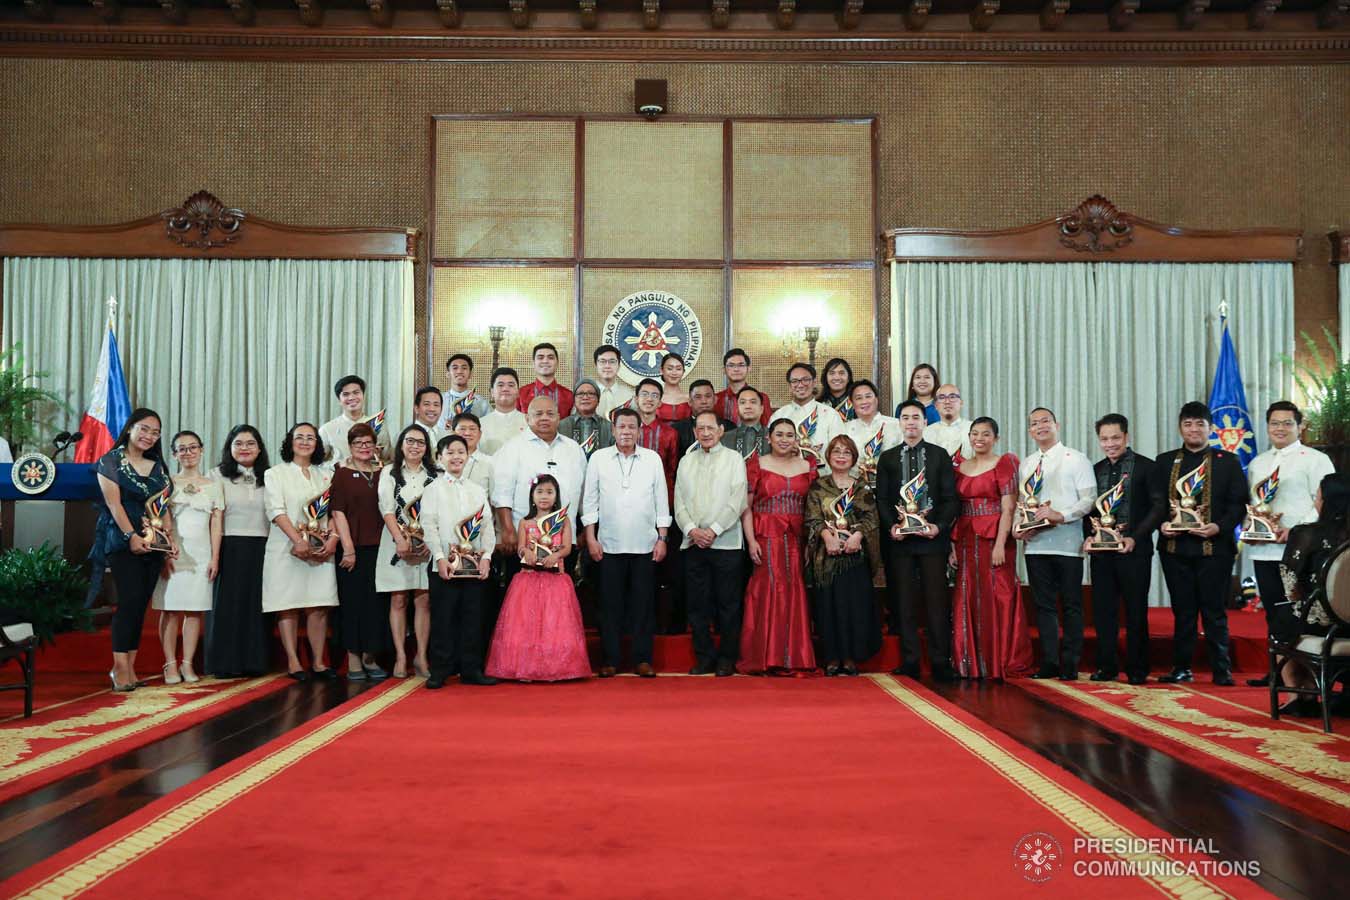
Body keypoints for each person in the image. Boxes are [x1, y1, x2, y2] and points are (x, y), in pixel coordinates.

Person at [1153, 401, 1248, 686]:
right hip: (1174, 549)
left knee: (1214, 610)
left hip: (1214, 549)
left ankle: (1222, 669)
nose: (1193, 429)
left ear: (1211, 428)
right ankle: (1181, 667)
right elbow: (1155, 503)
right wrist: (1162, 525)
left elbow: (1238, 505)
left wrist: (1218, 526)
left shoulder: (1227, 461)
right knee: (1182, 611)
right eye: (1187, 424)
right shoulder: (1165, 461)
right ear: (1180, 427)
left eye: (1199, 424)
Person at [1243, 401, 1335, 687]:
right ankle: (1278, 670)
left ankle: (1305, 678)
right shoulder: (1258, 462)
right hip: (1263, 549)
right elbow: (1255, 505)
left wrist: (1294, 530)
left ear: (1299, 426)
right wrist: (1249, 523)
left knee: (1300, 612)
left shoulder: (1315, 459)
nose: (1280, 428)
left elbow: (1325, 504)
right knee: (1273, 611)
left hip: (1300, 551)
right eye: (1274, 423)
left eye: (1287, 423)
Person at [583, 408, 671, 677]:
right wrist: (590, 537)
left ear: (639, 430)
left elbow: (661, 501)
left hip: (645, 545)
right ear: (613, 429)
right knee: (610, 605)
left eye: (632, 427)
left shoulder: (652, 459)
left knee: (643, 604)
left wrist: (662, 538)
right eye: (621, 426)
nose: (626, 431)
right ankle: (610, 660)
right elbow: (590, 501)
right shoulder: (598, 459)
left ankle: (642, 659)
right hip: (608, 545)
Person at [1081, 414, 1167, 685]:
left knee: (1135, 612)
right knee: (1104, 612)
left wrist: (1136, 538)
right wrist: (1087, 537)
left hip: (1134, 552)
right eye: (1104, 439)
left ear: (1127, 437)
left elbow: (1158, 507)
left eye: (1115, 437)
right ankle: (1106, 667)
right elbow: (1088, 509)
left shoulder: (1147, 467)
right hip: (1101, 553)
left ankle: (1137, 669)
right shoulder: (1095, 470)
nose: (1110, 444)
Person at [876, 400, 958, 680]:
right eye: (905, 418)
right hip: (900, 543)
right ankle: (910, 660)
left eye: (916, 417)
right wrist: (891, 527)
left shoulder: (939, 455)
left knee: (937, 602)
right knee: (904, 602)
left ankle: (940, 661)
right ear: (898, 423)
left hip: (932, 540)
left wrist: (939, 527)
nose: (911, 422)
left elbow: (950, 498)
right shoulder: (887, 458)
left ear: (925, 422)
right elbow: (883, 500)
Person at [94, 409, 174, 692]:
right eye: (144, 429)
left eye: (155, 432)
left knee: (140, 606)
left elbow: (163, 509)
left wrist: (169, 539)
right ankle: (119, 667)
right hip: (122, 541)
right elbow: (114, 505)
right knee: (128, 601)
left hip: (153, 545)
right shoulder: (111, 461)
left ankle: (131, 665)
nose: (149, 436)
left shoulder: (158, 467)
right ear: (130, 429)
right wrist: (131, 536)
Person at [1014, 407, 1095, 681]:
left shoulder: (1076, 459)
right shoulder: (1026, 464)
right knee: (1043, 607)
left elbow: (1088, 500)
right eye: (1034, 423)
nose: (1040, 426)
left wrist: (1061, 515)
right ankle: (1049, 663)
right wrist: (1019, 528)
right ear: (1030, 431)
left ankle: (1070, 663)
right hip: (1035, 546)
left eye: (1045, 421)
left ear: (1057, 424)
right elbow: (1021, 503)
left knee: (1072, 605)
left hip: (1068, 544)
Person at [950, 417, 1033, 680]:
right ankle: (970, 662)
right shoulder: (961, 466)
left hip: (994, 539)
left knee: (1000, 593)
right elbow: (955, 509)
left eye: (986, 434)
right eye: (975, 433)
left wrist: (1000, 543)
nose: (979, 439)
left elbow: (1009, 507)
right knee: (967, 594)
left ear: (995, 438)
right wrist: (952, 547)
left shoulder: (1005, 463)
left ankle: (1000, 660)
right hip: (965, 540)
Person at [486, 473, 591, 682]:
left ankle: (555, 667)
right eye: (540, 492)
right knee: (526, 624)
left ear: (557, 496)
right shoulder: (525, 523)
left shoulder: (563, 521)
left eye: (550, 492)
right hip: (529, 578)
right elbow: (521, 547)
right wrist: (526, 553)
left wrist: (556, 555)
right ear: (532, 496)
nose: (544, 496)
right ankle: (524, 667)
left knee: (555, 624)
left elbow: (568, 547)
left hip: (556, 578)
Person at [739, 418, 817, 675]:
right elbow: (746, 508)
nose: (784, 439)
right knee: (768, 590)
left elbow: (814, 507)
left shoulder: (808, 465)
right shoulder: (757, 464)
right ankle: (766, 657)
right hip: (765, 537)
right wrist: (750, 541)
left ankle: (795, 657)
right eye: (779, 434)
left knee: (795, 590)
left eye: (789, 435)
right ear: (769, 438)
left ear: (796, 439)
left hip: (798, 539)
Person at [263, 422, 340, 681]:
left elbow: (331, 514)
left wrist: (332, 540)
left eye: (311, 438)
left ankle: (319, 662)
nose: (305, 442)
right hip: (287, 548)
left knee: (318, 605)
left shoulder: (326, 475)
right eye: (300, 437)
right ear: (290, 441)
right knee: (289, 605)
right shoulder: (275, 473)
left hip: (320, 551)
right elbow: (276, 511)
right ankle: (294, 662)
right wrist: (298, 540)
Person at [675, 410, 747, 676]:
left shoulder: (733, 459)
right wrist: (693, 530)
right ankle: (704, 657)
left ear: (720, 431)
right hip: (693, 544)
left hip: (726, 543)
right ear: (695, 432)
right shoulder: (686, 461)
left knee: (728, 604)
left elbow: (738, 500)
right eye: (700, 429)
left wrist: (714, 530)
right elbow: (679, 501)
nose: (705, 433)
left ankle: (728, 658)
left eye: (710, 428)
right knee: (697, 605)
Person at [422, 434, 497, 688]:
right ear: (439, 457)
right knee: (443, 617)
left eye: (461, 452)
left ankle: (471, 669)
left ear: (467, 456)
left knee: (473, 617)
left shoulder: (476, 490)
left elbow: (487, 526)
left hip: (474, 567)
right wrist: (440, 557)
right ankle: (440, 670)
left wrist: (486, 556)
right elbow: (428, 525)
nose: (456, 457)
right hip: (444, 565)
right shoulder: (432, 489)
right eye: (450, 452)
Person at [1273, 473, 1350, 718]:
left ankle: (1300, 696)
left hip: (1323, 623)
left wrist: (1301, 601)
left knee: (1282, 619)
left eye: (1317, 495)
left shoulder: (1307, 533)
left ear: (1326, 500)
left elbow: (1290, 581)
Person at [805, 435, 882, 676]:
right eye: (836, 451)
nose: (841, 455)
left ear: (854, 458)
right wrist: (828, 537)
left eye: (846, 452)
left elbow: (871, 517)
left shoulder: (861, 487)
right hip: (826, 559)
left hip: (855, 557)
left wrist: (857, 536)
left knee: (853, 607)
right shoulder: (818, 486)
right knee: (828, 607)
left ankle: (850, 657)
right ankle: (831, 657)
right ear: (828, 456)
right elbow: (812, 518)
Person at [153, 430, 223, 685]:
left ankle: (187, 663)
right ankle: (170, 663)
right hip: (173, 553)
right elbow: (158, 520)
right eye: (182, 449)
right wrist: (165, 552)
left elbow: (217, 524)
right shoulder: (166, 482)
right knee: (170, 610)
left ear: (201, 450)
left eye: (193, 447)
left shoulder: (214, 485)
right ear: (174, 454)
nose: (188, 453)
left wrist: (215, 557)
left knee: (195, 611)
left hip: (202, 553)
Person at [207, 425, 271, 678]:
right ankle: (224, 663)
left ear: (259, 448)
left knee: (256, 606)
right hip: (230, 546)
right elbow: (215, 517)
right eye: (239, 443)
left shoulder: (270, 476)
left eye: (250, 443)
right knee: (227, 606)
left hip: (263, 547)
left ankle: (254, 661)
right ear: (229, 448)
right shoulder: (216, 475)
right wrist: (214, 555)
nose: (244, 448)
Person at [330, 422, 392, 681]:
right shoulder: (342, 473)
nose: (364, 447)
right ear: (350, 446)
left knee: (376, 604)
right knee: (352, 603)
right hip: (352, 549)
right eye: (358, 443)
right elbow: (338, 511)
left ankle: (370, 656)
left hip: (382, 547)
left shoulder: (384, 473)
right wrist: (348, 548)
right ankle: (354, 658)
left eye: (368, 443)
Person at [378, 425, 438, 678]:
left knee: (423, 600)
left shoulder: (436, 474)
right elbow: (387, 509)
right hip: (395, 542)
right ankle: (401, 656)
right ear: (401, 444)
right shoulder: (389, 472)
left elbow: (440, 511)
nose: (415, 446)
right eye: (410, 441)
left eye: (421, 442)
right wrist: (400, 539)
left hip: (427, 545)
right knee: (399, 599)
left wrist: (432, 542)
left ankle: (421, 657)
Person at [491, 396, 588, 546]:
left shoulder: (573, 449)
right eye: (538, 414)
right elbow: (502, 494)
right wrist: (508, 530)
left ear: (558, 418)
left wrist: (586, 531)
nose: (544, 418)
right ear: (527, 418)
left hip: (565, 541)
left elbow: (584, 496)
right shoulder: (513, 447)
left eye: (550, 414)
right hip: (523, 540)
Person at [775, 362, 842, 474]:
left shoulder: (831, 415)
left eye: (805, 380)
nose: (800, 385)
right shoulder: (779, 415)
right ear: (790, 386)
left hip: (823, 480)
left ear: (814, 382)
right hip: (787, 480)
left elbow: (840, 450)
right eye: (795, 381)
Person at [319, 374, 391, 464]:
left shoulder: (379, 425)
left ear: (363, 395)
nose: (352, 397)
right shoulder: (327, 429)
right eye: (346, 394)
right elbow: (318, 462)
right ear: (339, 400)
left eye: (356, 392)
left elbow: (387, 459)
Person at [842, 378, 901, 487]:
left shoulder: (896, 425)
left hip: (892, 485)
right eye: (859, 398)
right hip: (856, 488)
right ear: (851, 403)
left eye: (868, 396)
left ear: (876, 399)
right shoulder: (845, 429)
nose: (864, 401)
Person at [634, 377, 679, 500]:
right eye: (644, 394)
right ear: (636, 399)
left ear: (660, 402)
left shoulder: (670, 433)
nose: (649, 399)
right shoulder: (627, 431)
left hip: (659, 496)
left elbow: (671, 472)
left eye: (654, 395)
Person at [673, 380, 734, 457]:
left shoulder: (729, 427)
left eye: (708, 396)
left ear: (715, 400)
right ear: (689, 402)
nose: (704, 401)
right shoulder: (676, 430)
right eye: (698, 397)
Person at [558, 377, 614, 458]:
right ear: (574, 400)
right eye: (580, 394)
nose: (585, 397)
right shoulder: (561, 426)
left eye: (591, 393)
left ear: (598, 400)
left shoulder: (609, 427)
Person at [517, 342, 574, 418]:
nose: (545, 361)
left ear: (557, 363)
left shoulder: (568, 396)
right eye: (540, 357)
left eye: (550, 357)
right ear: (533, 363)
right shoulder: (521, 394)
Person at [715, 348, 771, 426]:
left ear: (749, 368)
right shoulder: (716, 399)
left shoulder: (762, 397)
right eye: (731, 365)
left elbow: (767, 428)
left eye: (741, 365)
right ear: (724, 370)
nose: (736, 369)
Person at [480, 367, 527, 455]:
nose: (505, 389)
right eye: (500, 385)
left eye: (511, 385)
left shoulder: (529, 422)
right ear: (492, 392)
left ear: (517, 392)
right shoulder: (480, 425)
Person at [923, 383, 973, 463]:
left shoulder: (973, 428)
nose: (947, 401)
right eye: (942, 397)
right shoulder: (926, 432)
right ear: (936, 405)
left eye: (952, 397)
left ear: (961, 403)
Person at [721, 386, 771, 460]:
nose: (747, 406)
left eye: (753, 402)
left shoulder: (772, 436)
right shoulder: (725, 438)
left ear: (761, 409)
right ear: (737, 410)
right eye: (743, 402)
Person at [452, 412, 494, 495]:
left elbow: (494, 499)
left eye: (472, 429)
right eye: (462, 429)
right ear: (453, 433)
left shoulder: (490, 462)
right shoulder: (443, 462)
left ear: (480, 434)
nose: (467, 433)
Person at [442, 353, 490, 422]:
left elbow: (489, 427)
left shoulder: (481, 402)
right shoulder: (440, 401)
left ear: (470, 374)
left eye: (464, 368)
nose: (459, 371)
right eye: (455, 368)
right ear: (448, 374)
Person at [593, 344, 635, 419]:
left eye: (612, 362)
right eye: (602, 361)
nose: (607, 366)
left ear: (619, 366)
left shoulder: (629, 395)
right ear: (596, 365)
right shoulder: (586, 394)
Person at [656, 353, 691, 423]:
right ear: (661, 370)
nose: (674, 373)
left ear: (683, 372)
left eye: (678, 369)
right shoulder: (653, 398)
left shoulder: (690, 399)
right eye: (670, 368)